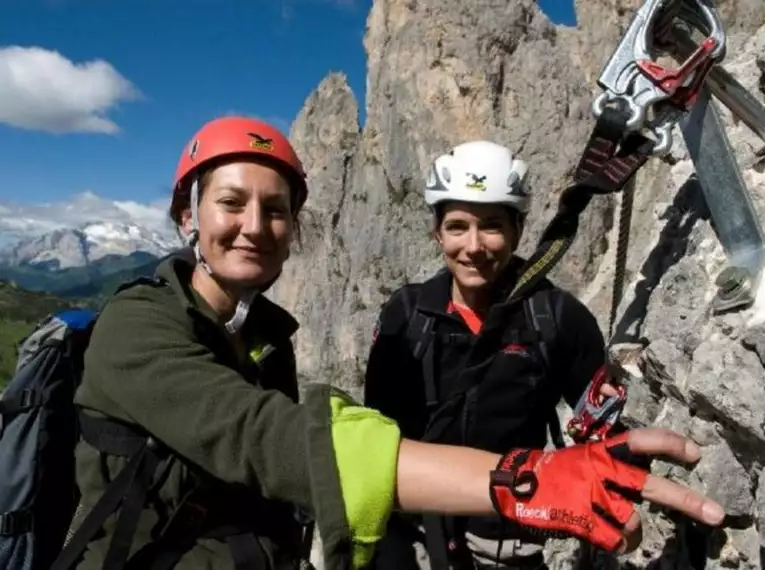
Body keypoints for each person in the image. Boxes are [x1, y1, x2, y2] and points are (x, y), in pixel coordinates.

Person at [63, 117, 725, 570]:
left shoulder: (265, 337)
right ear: (187, 214)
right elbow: (265, 438)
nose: (255, 226)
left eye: (276, 210)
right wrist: (526, 481)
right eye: (230, 204)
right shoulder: (138, 327)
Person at [363, 140, 632, 569]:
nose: (473, 246)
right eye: (456, 227)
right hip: (412, 527)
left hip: (507, 534)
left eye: (491, 226)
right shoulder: (407, 315)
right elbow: (375, 429)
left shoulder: (557, 318)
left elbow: (601, 429)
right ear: (436, 231)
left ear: (517, 231)